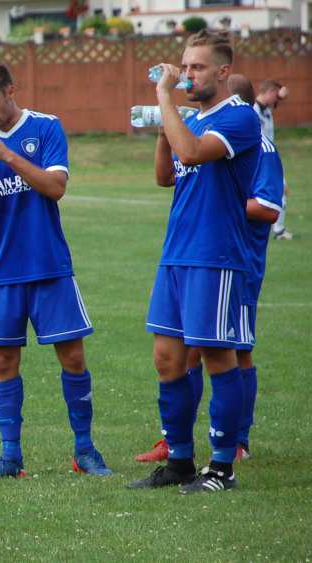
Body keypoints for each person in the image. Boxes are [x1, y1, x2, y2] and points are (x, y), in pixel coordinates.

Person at [0, 57, 111, 480]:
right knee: (3, 364)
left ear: (11, 90)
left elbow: (55, 188)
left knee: (73, 358)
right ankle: (10, 456)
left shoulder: (45, 128)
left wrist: (8, 156)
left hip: (48, 265)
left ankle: (84, 449)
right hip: (0, 270)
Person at [127, 31, 261, 494]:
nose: (187, 75)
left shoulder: (240, 118)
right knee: (167, 359)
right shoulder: (192, 118)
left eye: (197, 67)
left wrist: (164, 97)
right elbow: (167, 174)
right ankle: (180, 462)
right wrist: (167, 124)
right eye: (184, 67)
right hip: (176, 255)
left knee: (219, 357)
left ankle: (222, 469)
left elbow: (192, 152)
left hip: (216, 256)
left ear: (223, 72)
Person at [134, 74, 284, 465]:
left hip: (233, 262)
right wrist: (167, 128)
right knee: (180, 355)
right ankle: (178, 448)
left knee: (235, 351)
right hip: (184, 257)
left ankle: (235, 442)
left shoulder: (258, 143)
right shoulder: (194, 129)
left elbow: (267, 207)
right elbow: (167, 176)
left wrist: (221, 200)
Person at [254, 79, 292, 240]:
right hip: (259, 159)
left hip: (270, 157)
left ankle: (277, 228)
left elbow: (274, 101)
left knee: (280, 191)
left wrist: (280, 96)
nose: (276, 101)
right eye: (275, 97)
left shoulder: (267, 110)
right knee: (277, 191)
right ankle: (278, 230)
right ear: (269, 93)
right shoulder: (253, 110)